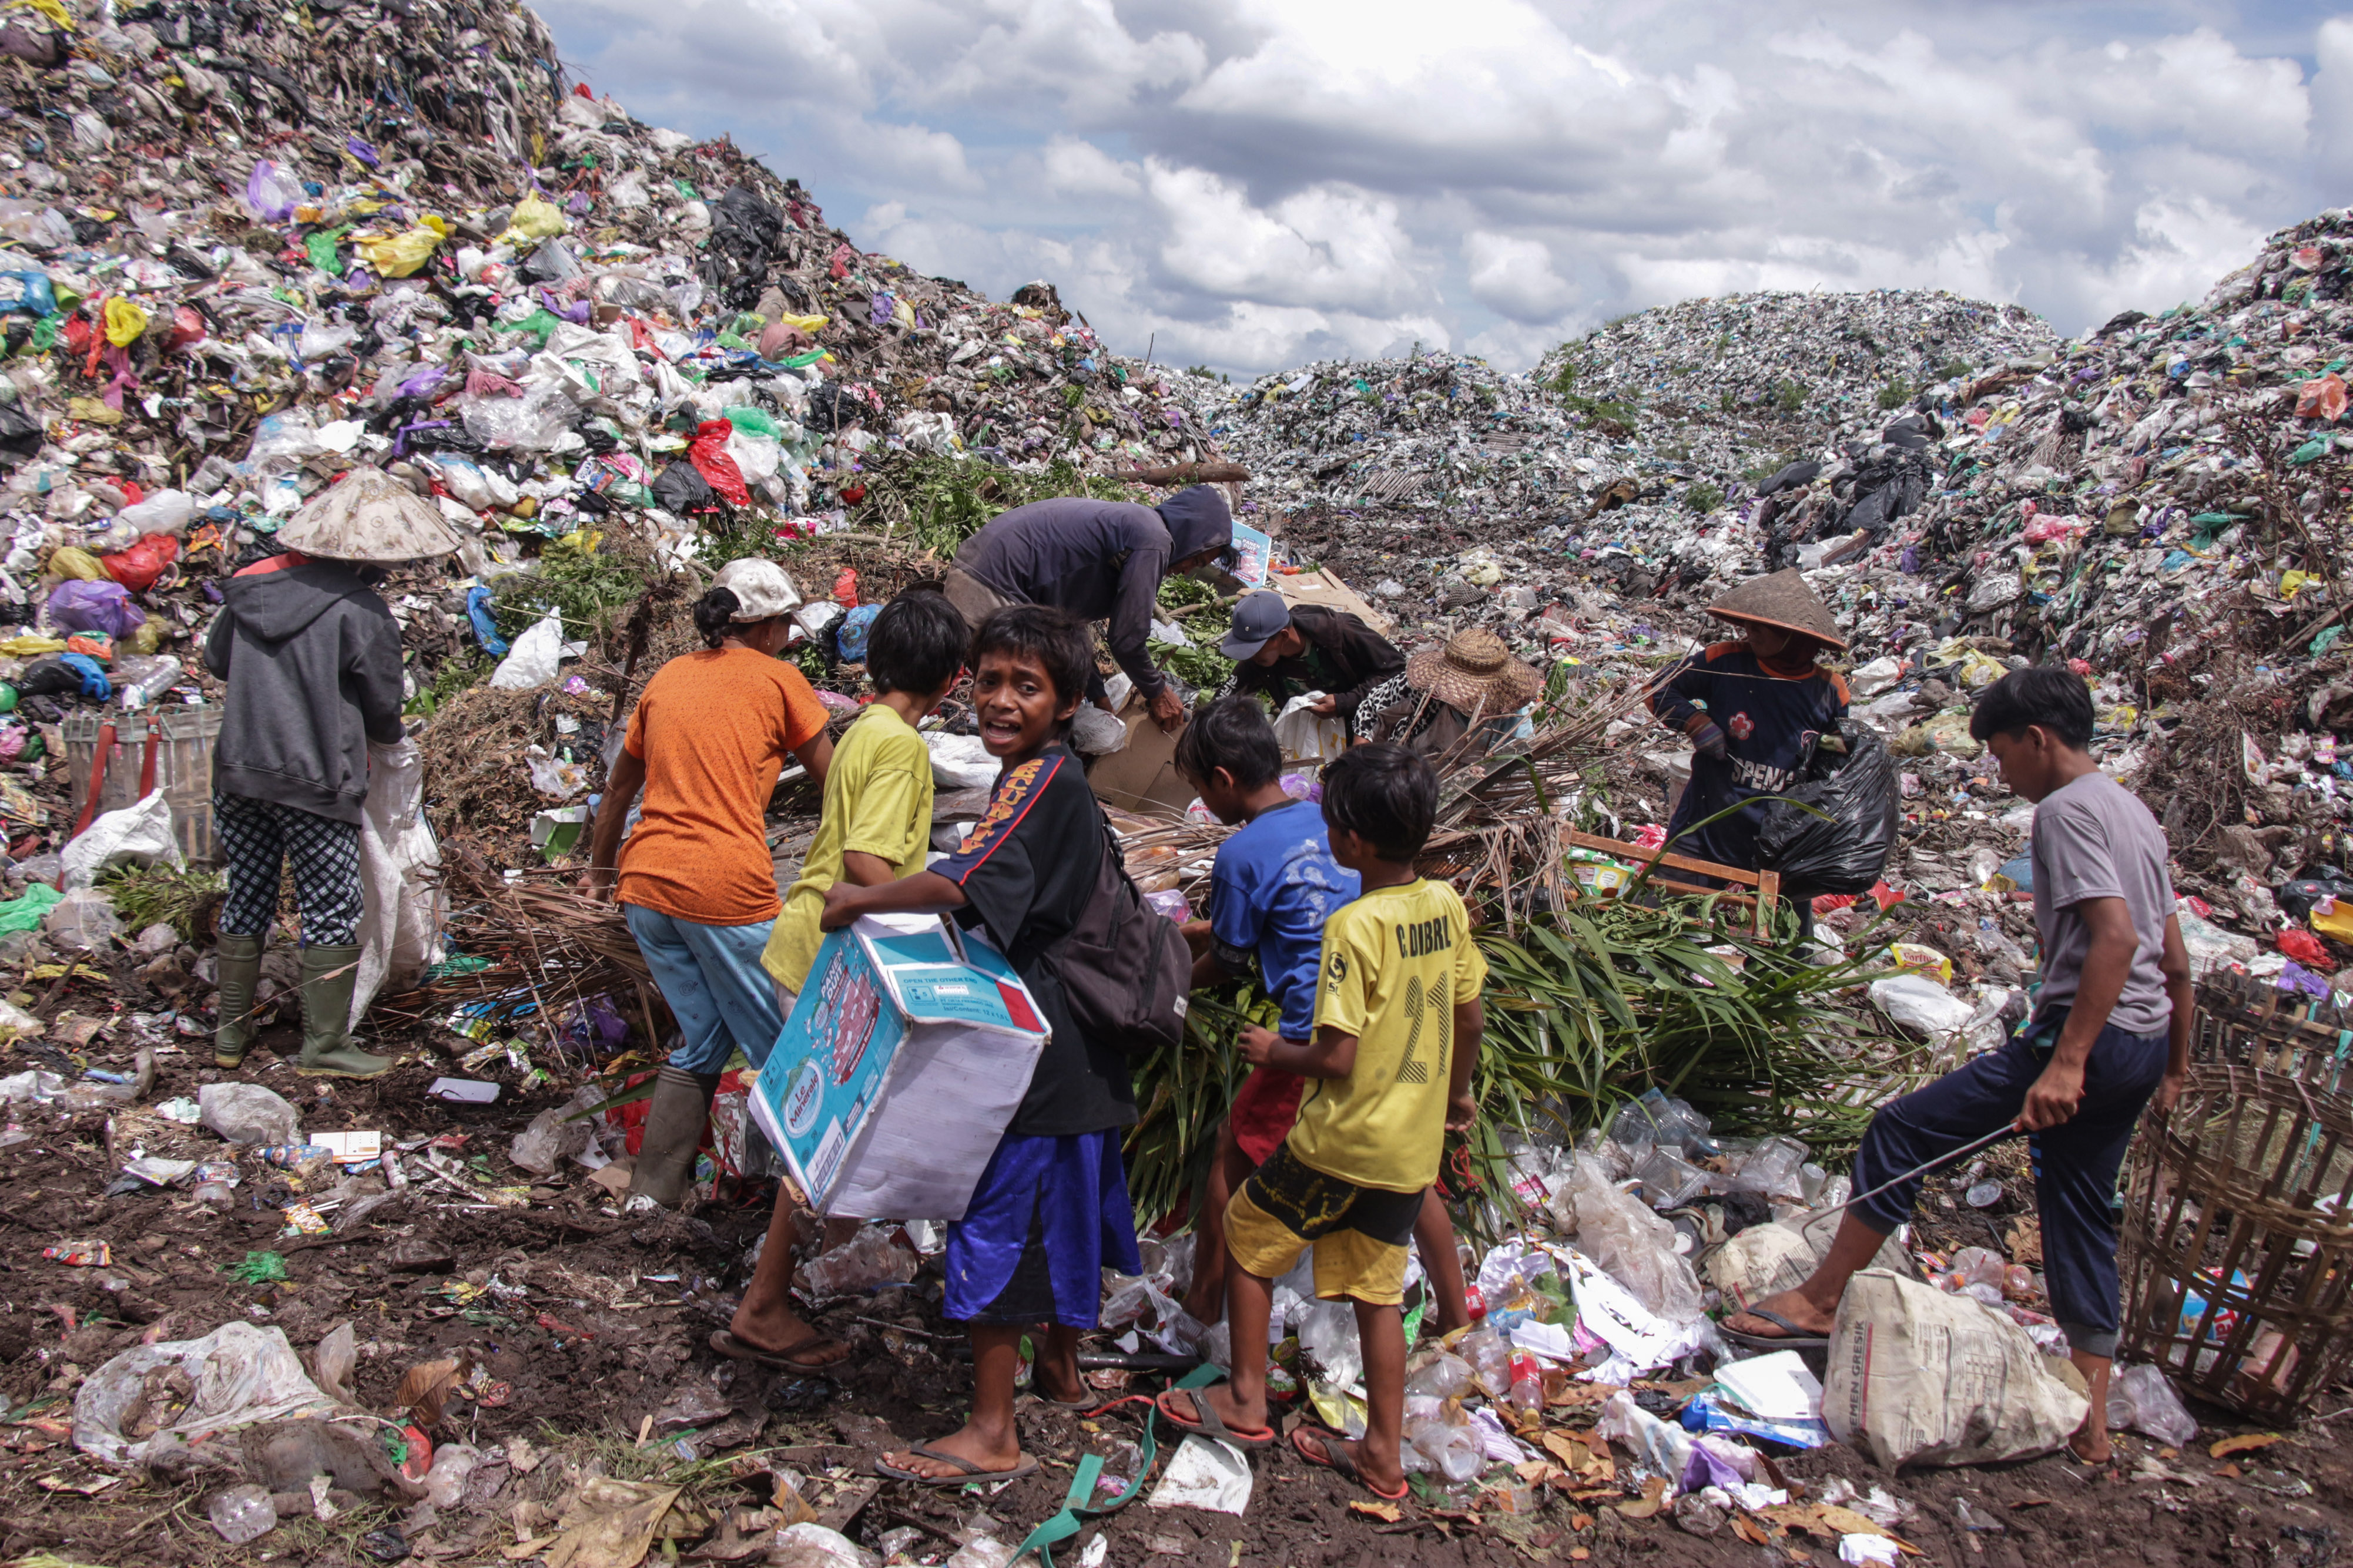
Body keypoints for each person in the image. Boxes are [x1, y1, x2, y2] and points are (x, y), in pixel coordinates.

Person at [1722, 667, 2191, 1466]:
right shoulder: (2131, 811)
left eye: (2002, 753)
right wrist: (2173, 1065)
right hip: (2142, 1043)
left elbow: (2114, 940)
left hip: (2089, 1039)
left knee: (1901, 1132)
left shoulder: (2068, 814)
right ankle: (2093, 1423)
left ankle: (1821, 1298)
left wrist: (2067, 1062)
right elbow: (2175, 958)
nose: (2000, 772)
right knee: (2078, 1212)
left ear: (2038, 739)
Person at [822, 605, 1142, 1485]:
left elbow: (968, 881)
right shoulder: (1055, 778)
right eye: (990, 681)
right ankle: (1062, 1370)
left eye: (1026, 687)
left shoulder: (1038, 781)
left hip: (1042, 1050)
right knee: (1071, 1211)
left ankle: (993, 1430)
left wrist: (860, 901)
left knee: (1003, 1220)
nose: (1001, 701)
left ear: (1069, 699)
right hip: (1084, 1044)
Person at [1157, 743, 1485, 1499]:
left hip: (1341, 1138)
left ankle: (1243, 1396)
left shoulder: (1354, 926)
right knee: (1377, 1291)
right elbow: (1466, 1017)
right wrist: (1455, 1097)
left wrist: (1277, 1048)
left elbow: (1335, 1057)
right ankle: (1381, 1454)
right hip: (1408, 1147)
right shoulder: (1443, 906)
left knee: (1246, 1235)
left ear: (1351, 841)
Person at [713, 590, 969, 1374]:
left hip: (807, 943)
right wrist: (941, 909)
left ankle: (825, 1269)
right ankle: (763, 1306)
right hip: (837, 958)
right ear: (954, 679)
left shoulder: (864, 728)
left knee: (824, 1129)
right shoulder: (900, 747)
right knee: (821, 1138)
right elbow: (867, 864)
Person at [1165, 697, 1470, 1339]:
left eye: (1196, 784)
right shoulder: (1326, 816)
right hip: (1394, 1022)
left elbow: (1231, 956)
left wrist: (1169, 990)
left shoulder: (1241, 853)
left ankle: (1204, 1300)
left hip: (1317, 1027)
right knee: (1409, 1180)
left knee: (1231, 1149)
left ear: (1220, 781)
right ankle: (1456, 1309)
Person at [586, 558, 836, 1209]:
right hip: (721, 891)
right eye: (785, 624)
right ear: (767, 625)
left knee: (701, 1040)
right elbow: (833, 777)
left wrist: (596, 871)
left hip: (645, 887)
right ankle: (808, 1206)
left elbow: (618, 789)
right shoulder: (779, 679)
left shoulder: (667, 676)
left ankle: (652, 1194)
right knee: (782, 1049)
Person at [204, 473, 452, 1079]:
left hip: (238, 769)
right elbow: (383, 707)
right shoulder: (359, 610)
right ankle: (322, 1045)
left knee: (250, 894)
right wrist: (392, 748)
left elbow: (217, 662)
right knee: (330, 904)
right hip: (315, 776)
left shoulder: (247, 587)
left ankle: (230, 1035)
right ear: (371, 561)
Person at [941, 485, 1232, 734]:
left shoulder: (1133, 526)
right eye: (1195, 562)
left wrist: (1099, 698)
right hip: (992, 589)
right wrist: (1158, 691)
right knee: (1037, 712)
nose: (1184, 572)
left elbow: (1069, 627)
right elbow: (1127, 639)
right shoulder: (1154, 540)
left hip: (976, 572)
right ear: (1191, 537)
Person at [1648, 569, 1850, 874]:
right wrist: (1695, 724)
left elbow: (1835, 759)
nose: (1748, 631)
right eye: (1749, 624)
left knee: (1777, 920)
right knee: (1663, 909)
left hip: (1781, 841)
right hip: (1705, 828)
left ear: (1793, 637)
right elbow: (1658, 689)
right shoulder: (1725, 662)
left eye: (1761, 627)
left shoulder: (1830, 690)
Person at [1213, 590, 1408, 746]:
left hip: (1361, 730)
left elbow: (1397, 673)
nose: (1251, 656)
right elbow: (1226, 696)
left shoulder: (1340, 634)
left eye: (1255, 649)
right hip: (1310, 737)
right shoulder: (1260, 659)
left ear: (1283, 636)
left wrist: (1344, 702)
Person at [1366, 626, 1542, 761]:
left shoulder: (1513, 719)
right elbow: (1371, 710)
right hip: (1409, 767)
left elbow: (1517, 765)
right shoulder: (1425, 688)